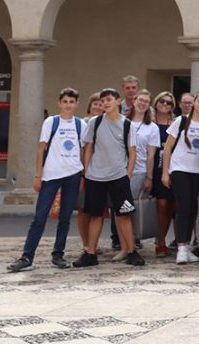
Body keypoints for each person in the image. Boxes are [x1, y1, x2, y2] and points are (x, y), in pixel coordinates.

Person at [8, 88, 88, 273]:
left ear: (76, 104)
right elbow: (40, 149)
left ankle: (58, 254)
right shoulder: (51, 122)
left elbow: (84, 150)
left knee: (65, 218)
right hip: (51, 175)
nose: (68, 105)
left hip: (73, 174)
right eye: (65, 101)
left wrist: (83, 174)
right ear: (59, 103)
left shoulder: (80, 125)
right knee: (39, 217)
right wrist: (38, 175)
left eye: (71, 102)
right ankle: (27, 256)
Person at [73, 89, 144, 268]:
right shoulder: (94, 123)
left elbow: (132, 152)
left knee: (123, 215)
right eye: (103, 100)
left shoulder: (128, 125)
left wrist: (127, 175)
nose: (105, 103)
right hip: (95, 177)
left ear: (118, 101)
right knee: (95, 215)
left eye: (109, 99)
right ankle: (90, 253)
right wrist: (86, 172)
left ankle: (131, 251)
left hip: (118, 176)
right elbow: (88, 148)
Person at [162, 91, 199, 264]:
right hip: (179, 169)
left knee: (193, 209)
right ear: (194, 102)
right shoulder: (181, 121)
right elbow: (168, 148)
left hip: (198, 171)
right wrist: (165, 172)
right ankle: (181, 247)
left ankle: (187, 245)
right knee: (183, 207)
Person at [126, 91, 160, 259]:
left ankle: (133, 242)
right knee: (120, 210)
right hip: (120, 172)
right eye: (140, 100)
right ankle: (124, 244)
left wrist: (149, 177)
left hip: (139, 172)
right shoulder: (123, 121)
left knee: (134, 208)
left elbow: (151, 155)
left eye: (146, 101)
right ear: (134, 101)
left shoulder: (152, 127)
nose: (142, 103)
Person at [150, 91, 177, 257]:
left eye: (168, 103)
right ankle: (159, 240)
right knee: (161, 205)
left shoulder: (175, 124)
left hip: (173, 168)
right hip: (155, 169)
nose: (165, 105)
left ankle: (165, 239)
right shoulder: (150, 124)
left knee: (171, 206)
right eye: (162, 101)